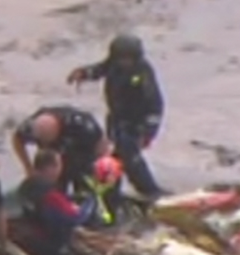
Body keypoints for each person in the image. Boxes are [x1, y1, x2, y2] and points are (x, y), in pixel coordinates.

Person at [67, 33, 166, 198]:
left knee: (130, 157)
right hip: (116, 120)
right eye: (120, 59)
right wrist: (84, 73)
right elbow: (100, 69)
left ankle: (149, 191)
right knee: (116, 157)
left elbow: (155, 105)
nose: (123, 63)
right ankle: (112, 190)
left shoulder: (143, 74)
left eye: (127, 59)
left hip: (136, 123)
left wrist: (148, 132)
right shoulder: (113, 64)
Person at [11, 105, 110, 195]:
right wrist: (28, 168)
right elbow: (17, 139)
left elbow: (101, 145)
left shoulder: (80, 124)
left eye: (49, 142)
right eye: (43, 142)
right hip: (55, 162)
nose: (45, 144)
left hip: (82, 158)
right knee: (51, 194)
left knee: (87, 193)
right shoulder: (34, 125)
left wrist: (102, 171)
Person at [80, 154, 124, 227]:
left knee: (106, 204)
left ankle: (108, 220)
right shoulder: (93, 170)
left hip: (109, 178)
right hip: (97, 177)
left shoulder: (113, 173)